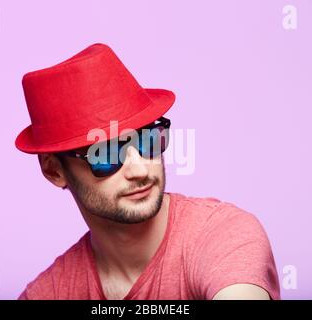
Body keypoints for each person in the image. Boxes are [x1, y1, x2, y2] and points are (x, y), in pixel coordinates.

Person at [15, 43, 280, 300]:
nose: (140, 169)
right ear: (54, 170)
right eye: (105, 153)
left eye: (147, 140)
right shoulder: (49, 292)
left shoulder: (223, 234)